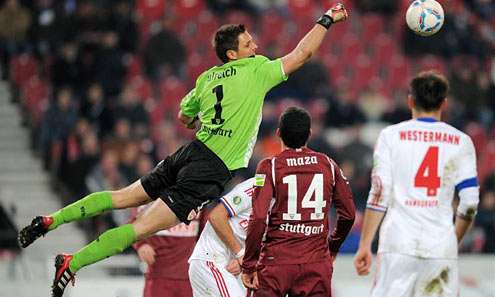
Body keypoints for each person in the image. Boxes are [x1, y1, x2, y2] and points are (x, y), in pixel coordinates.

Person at [17, 3, 349, 297]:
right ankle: (73, 262)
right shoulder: (257, 70)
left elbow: (184, 113)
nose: (256, 45)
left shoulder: (207, 78)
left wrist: (196, 120)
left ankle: (51, 220)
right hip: (210, 169)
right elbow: (302, 54)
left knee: (123, 196)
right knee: (140, 228)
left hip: (190, 152)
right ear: (233, 53)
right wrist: (326, 20)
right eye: (249, 44)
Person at [353, 71, 480, 297]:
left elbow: (379, 194)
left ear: (410, 100)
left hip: (398, 243)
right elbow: (470, 202)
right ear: (444, 103)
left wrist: (364, 244)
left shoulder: (390, 136)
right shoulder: (461, 141)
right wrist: (452, 239)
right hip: (440, 245)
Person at [241, 107, 356, 297]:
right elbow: (349, 214)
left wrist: (249, 264)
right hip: (316, 262)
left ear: (278, 133)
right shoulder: (328, 164)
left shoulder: (270, 166)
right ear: (309, 134)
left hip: (276, 262)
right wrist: (333, 246)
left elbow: (259, 217)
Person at [188, 178, 255, 297]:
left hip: (233, 267)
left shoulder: (290, 202)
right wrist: (240, 254)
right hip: (212, 261)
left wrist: (245, 260)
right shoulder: (255, 187)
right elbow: (216, 216)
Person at [131, 203, 200, 297]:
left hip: (189, 277)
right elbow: (132, 225)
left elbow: (206, 230)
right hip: (159, 275)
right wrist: (141, 245)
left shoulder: (199, 200)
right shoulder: (150, 199)